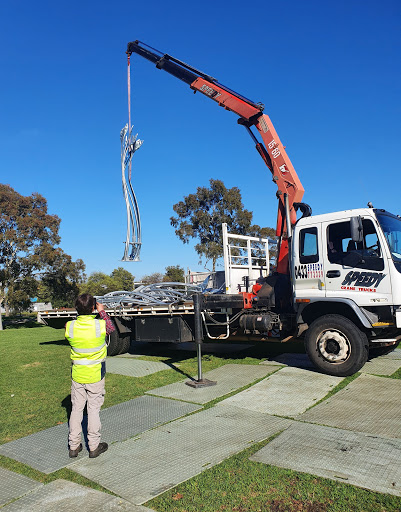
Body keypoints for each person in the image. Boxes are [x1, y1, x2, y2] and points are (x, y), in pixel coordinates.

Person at [65, 293, 115, 458]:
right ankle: (93, 446)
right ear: (93, 308)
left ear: (77, 309)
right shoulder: (100, 326)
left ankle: (74, 446)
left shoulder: (70, 327)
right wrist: (102, 312)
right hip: (95, 374)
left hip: (78, 374)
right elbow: (111, 328)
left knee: (76, 409)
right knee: (93, 410)